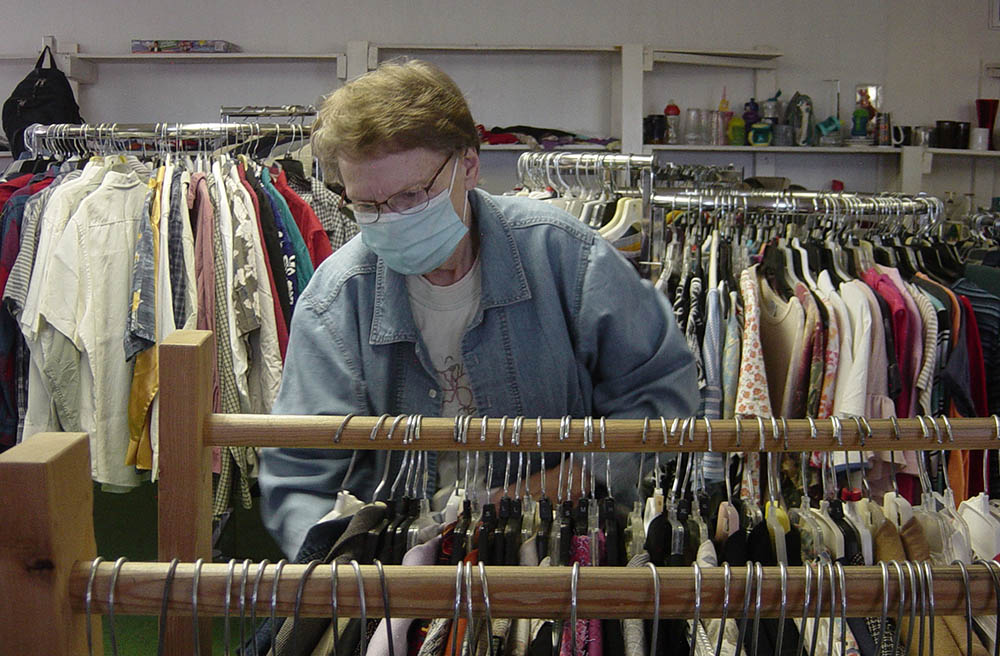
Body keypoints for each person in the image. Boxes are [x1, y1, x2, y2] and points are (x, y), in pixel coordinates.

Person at [258, 59, 698, 559]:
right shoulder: (336, 299)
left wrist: (570, 480)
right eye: (367, 206)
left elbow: (663, 394)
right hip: (392, 575)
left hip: (551, 557)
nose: (390, 221)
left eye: (411, 195)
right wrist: (346, 575)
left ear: (468, 165)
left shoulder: (566, 257)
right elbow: (299, 473)